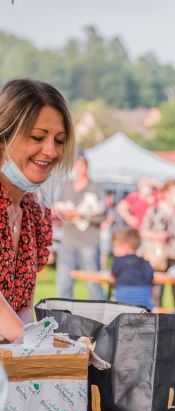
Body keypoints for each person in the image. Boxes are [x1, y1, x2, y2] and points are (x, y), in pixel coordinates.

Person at [0, 78, 75, 338]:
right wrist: (30, 345)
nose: (51, 151)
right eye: (37, 137)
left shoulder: (34, 214)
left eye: (60, 140)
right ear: (3, 138)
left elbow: (22, 306)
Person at [54, 152, 106, 300]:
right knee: (63, 283)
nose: (77, 168)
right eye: (75, 165)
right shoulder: (66, 186)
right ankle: (63, 316)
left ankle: (101, 316)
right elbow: (57, 208)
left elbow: (103, 214)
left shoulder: (95, 188)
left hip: (88, 242)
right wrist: (63, 213)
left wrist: (80, 215)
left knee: (93, 284)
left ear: (86, 167)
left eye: (80, 164)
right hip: (68, 241)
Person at [140, 179, 175, 306]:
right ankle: (157, 322)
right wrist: (156, 236)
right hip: (158, 257)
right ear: (165, 193)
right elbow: (143, 231)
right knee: (157, 295)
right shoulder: (154, 211)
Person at [111, 227, 154, 310]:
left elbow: (113, 275)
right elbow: (150, 277)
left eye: (116, 246)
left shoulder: (119, 261)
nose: (114, 250)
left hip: (123, 304)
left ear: (126, 246)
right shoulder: (145, 262)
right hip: (144, 305)